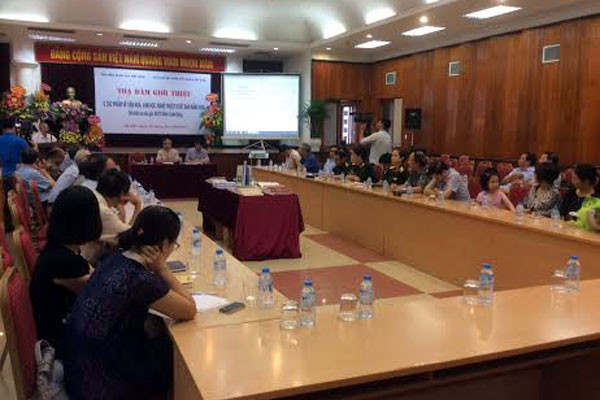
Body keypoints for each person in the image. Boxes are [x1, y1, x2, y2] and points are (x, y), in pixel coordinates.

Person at [64, 206, 196, 399]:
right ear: (163, 244)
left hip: (76, 364)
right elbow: (189, 309)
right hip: (99, 381)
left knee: (157, 330)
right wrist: (163, 269)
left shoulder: (115, 257)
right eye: (173, 244)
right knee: (168, 351)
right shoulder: (139, 279)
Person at [30, 186, 101, 356]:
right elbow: (101, 297)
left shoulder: (59, 249)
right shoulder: (66, 262)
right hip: (63, 343)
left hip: (57, 328)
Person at [81, 169, 142, 264]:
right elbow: (130, 236)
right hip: (86, 261)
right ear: (122, 194)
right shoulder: (103, 210)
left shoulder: (94, 196)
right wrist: (138, 206)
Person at [0, 116, 29, 180]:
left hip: (2, 174)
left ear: (2, 129)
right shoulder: (21, 141)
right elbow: (29, 156)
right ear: (14, 128)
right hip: (18, 175)